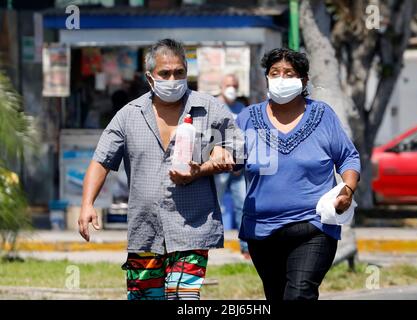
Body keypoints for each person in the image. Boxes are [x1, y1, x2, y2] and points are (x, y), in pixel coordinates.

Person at [78, 39, 238, 300]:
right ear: (150, 77)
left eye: (179, 72)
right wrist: (87, 204)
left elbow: (238, 154)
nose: (173, 79)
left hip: (192, 226)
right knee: (146, 297)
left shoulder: (210, 110)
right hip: (145, 230)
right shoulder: (129, 115)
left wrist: (209, 164)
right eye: (165, 73)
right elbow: (101, 160)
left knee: (184, 296)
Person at [235, 48, 361, 300]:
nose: (281, 78)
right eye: (275, 73)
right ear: (266, 78)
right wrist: (214, 157)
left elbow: (348, 157)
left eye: (289, 73)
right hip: (262, 230)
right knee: (276, 295)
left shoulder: (322, 115)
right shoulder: (248, 118)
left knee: (299, 294)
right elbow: (231, 160)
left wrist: (347, 189)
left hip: (313, 226)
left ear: (303, 81)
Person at [214, 74, 249, 258]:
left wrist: (239, 163)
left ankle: (246, 248)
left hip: (237, 167)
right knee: (214, 205)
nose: (232, 88)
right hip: (217, 166)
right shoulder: (212, 105)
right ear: (221, 86)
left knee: (242, 205)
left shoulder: (241, 108)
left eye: (235, 85)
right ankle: (210, 245)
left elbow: (244, 137)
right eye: (228, 85)